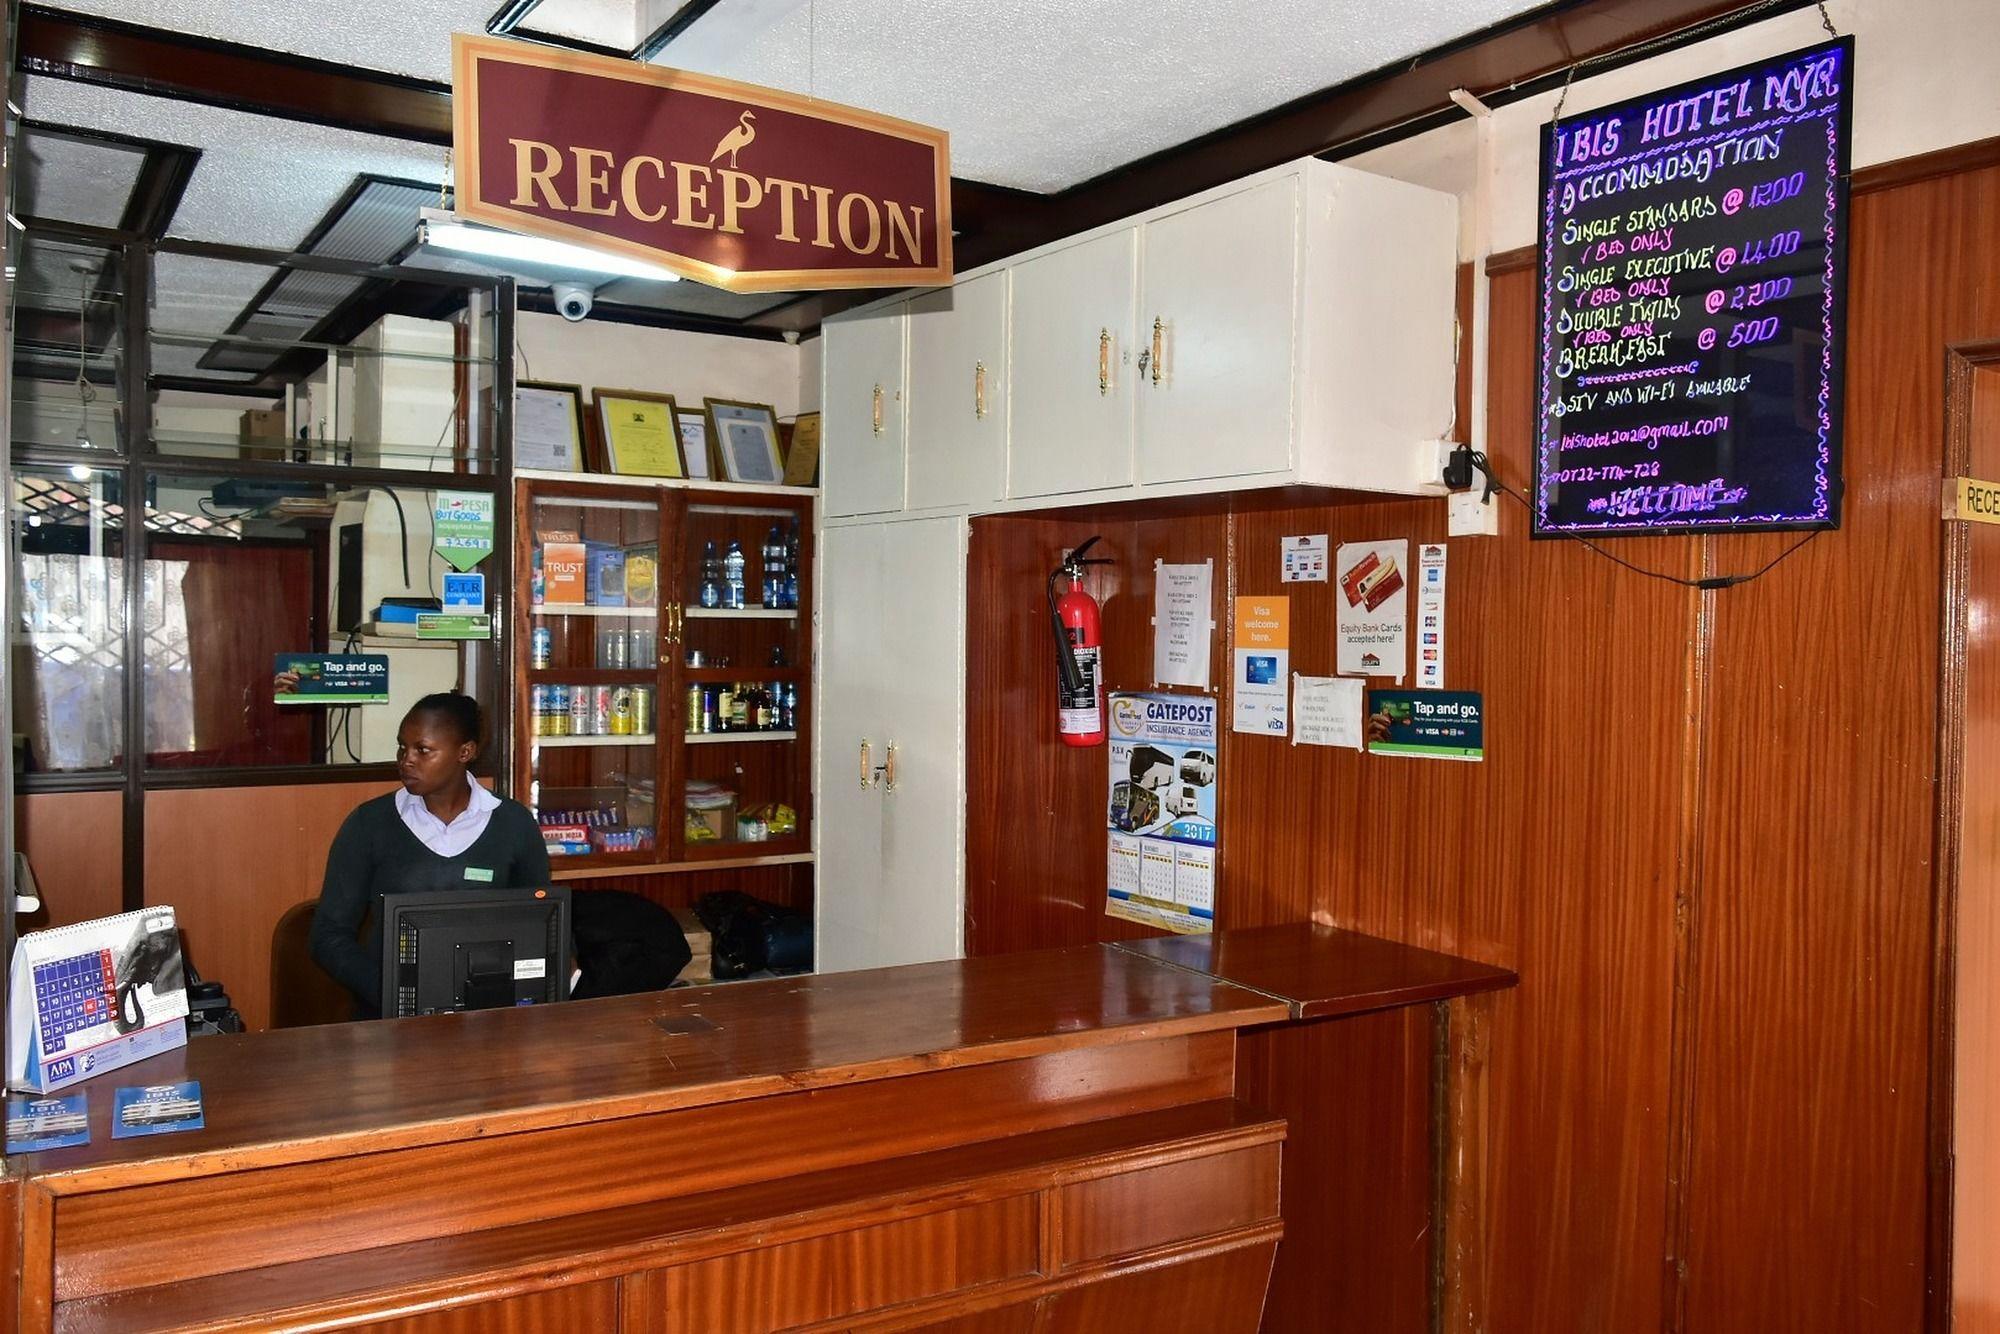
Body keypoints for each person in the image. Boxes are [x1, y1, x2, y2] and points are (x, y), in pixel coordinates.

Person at [310, 691, 549, 1018]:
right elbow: (328, 935)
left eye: (423, 750)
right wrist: (391, 991)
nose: (406, 759)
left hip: (491, 1016)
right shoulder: (369, 824)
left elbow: (544, 923)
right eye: (402, 747)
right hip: (390, 1018)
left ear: (465, 752)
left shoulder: (513, 823)